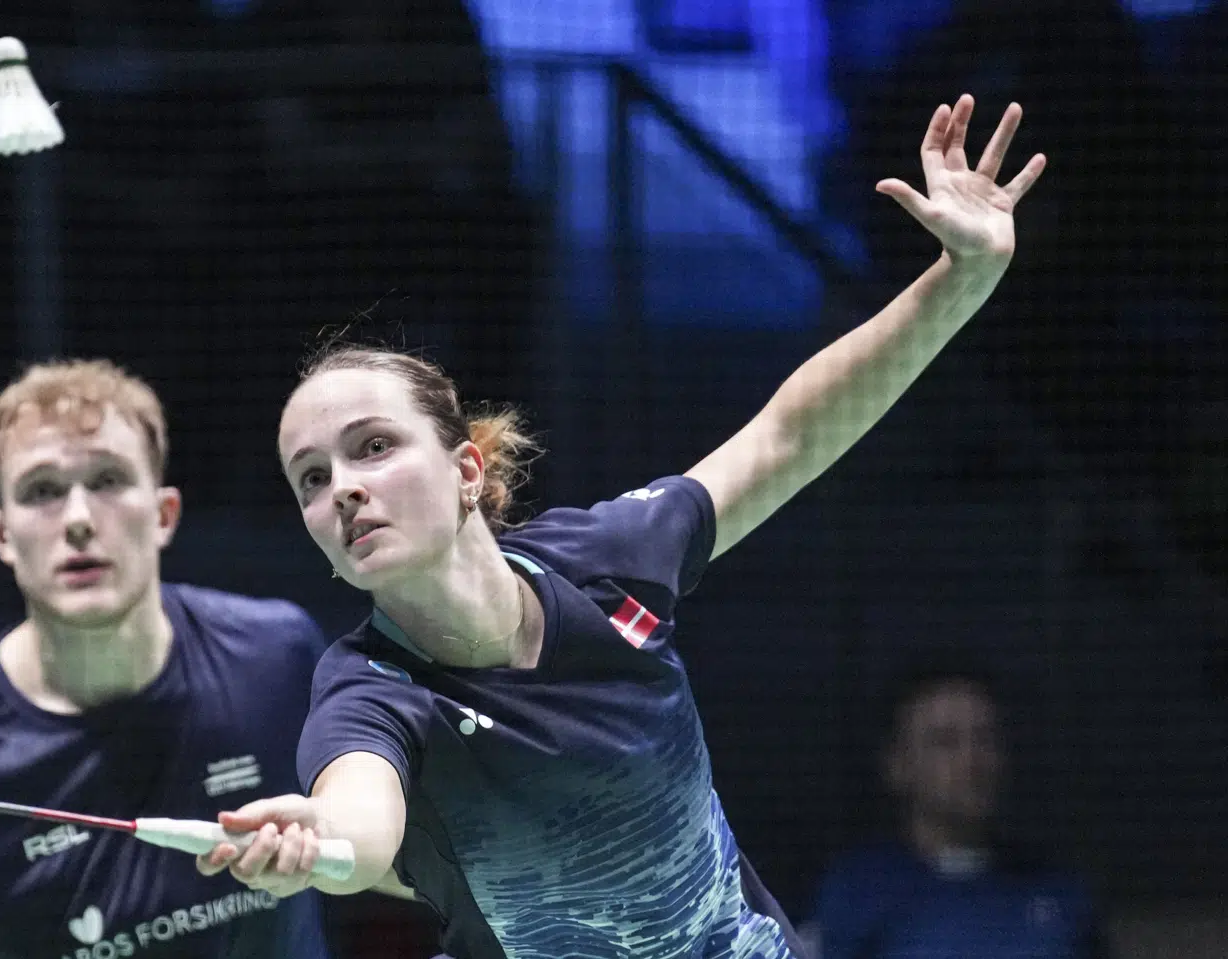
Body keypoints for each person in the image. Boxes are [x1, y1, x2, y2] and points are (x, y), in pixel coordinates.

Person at [198, 94, 1047, 959]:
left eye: (373, 446)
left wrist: (963, 279)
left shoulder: (605, 562)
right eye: (312, 478)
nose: (343, 488)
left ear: (466, 472)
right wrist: (316, 839)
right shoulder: (369, 689)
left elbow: (789, 434)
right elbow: (360, 823)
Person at [0, 360, 333, 959]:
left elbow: (385, 849)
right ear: (0, 534)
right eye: (42, 491)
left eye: (107, 480)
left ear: (163, 515)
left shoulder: (278, 657)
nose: (78, 520)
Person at [808, 657, 1110, 959]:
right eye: (946, 742)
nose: (971, 761)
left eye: (985, 739)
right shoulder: (857, 894)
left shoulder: (1059, 895)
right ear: (898, 765)